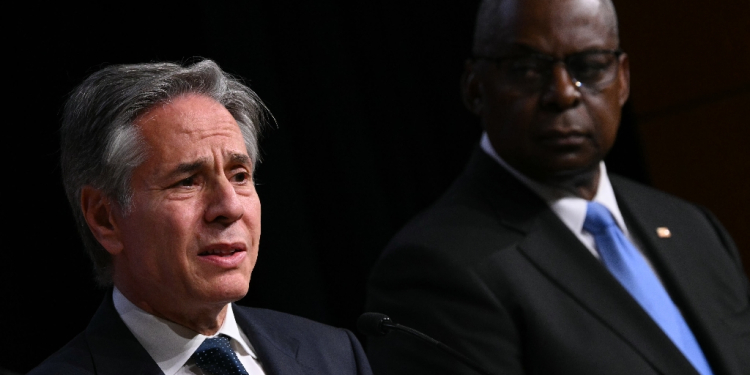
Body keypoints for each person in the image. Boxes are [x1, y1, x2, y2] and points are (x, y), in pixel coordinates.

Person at [365, 0, 750, 374]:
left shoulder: (692, 227)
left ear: (623, 80)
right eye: (528, 69)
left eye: (590, 66)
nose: (564, 93)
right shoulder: (434, 268)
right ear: (475, 88)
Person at [31, 59, 372, 375]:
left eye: (239, 176)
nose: (230, 207)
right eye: (188, 181)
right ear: (106, 218)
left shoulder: (336, 356)